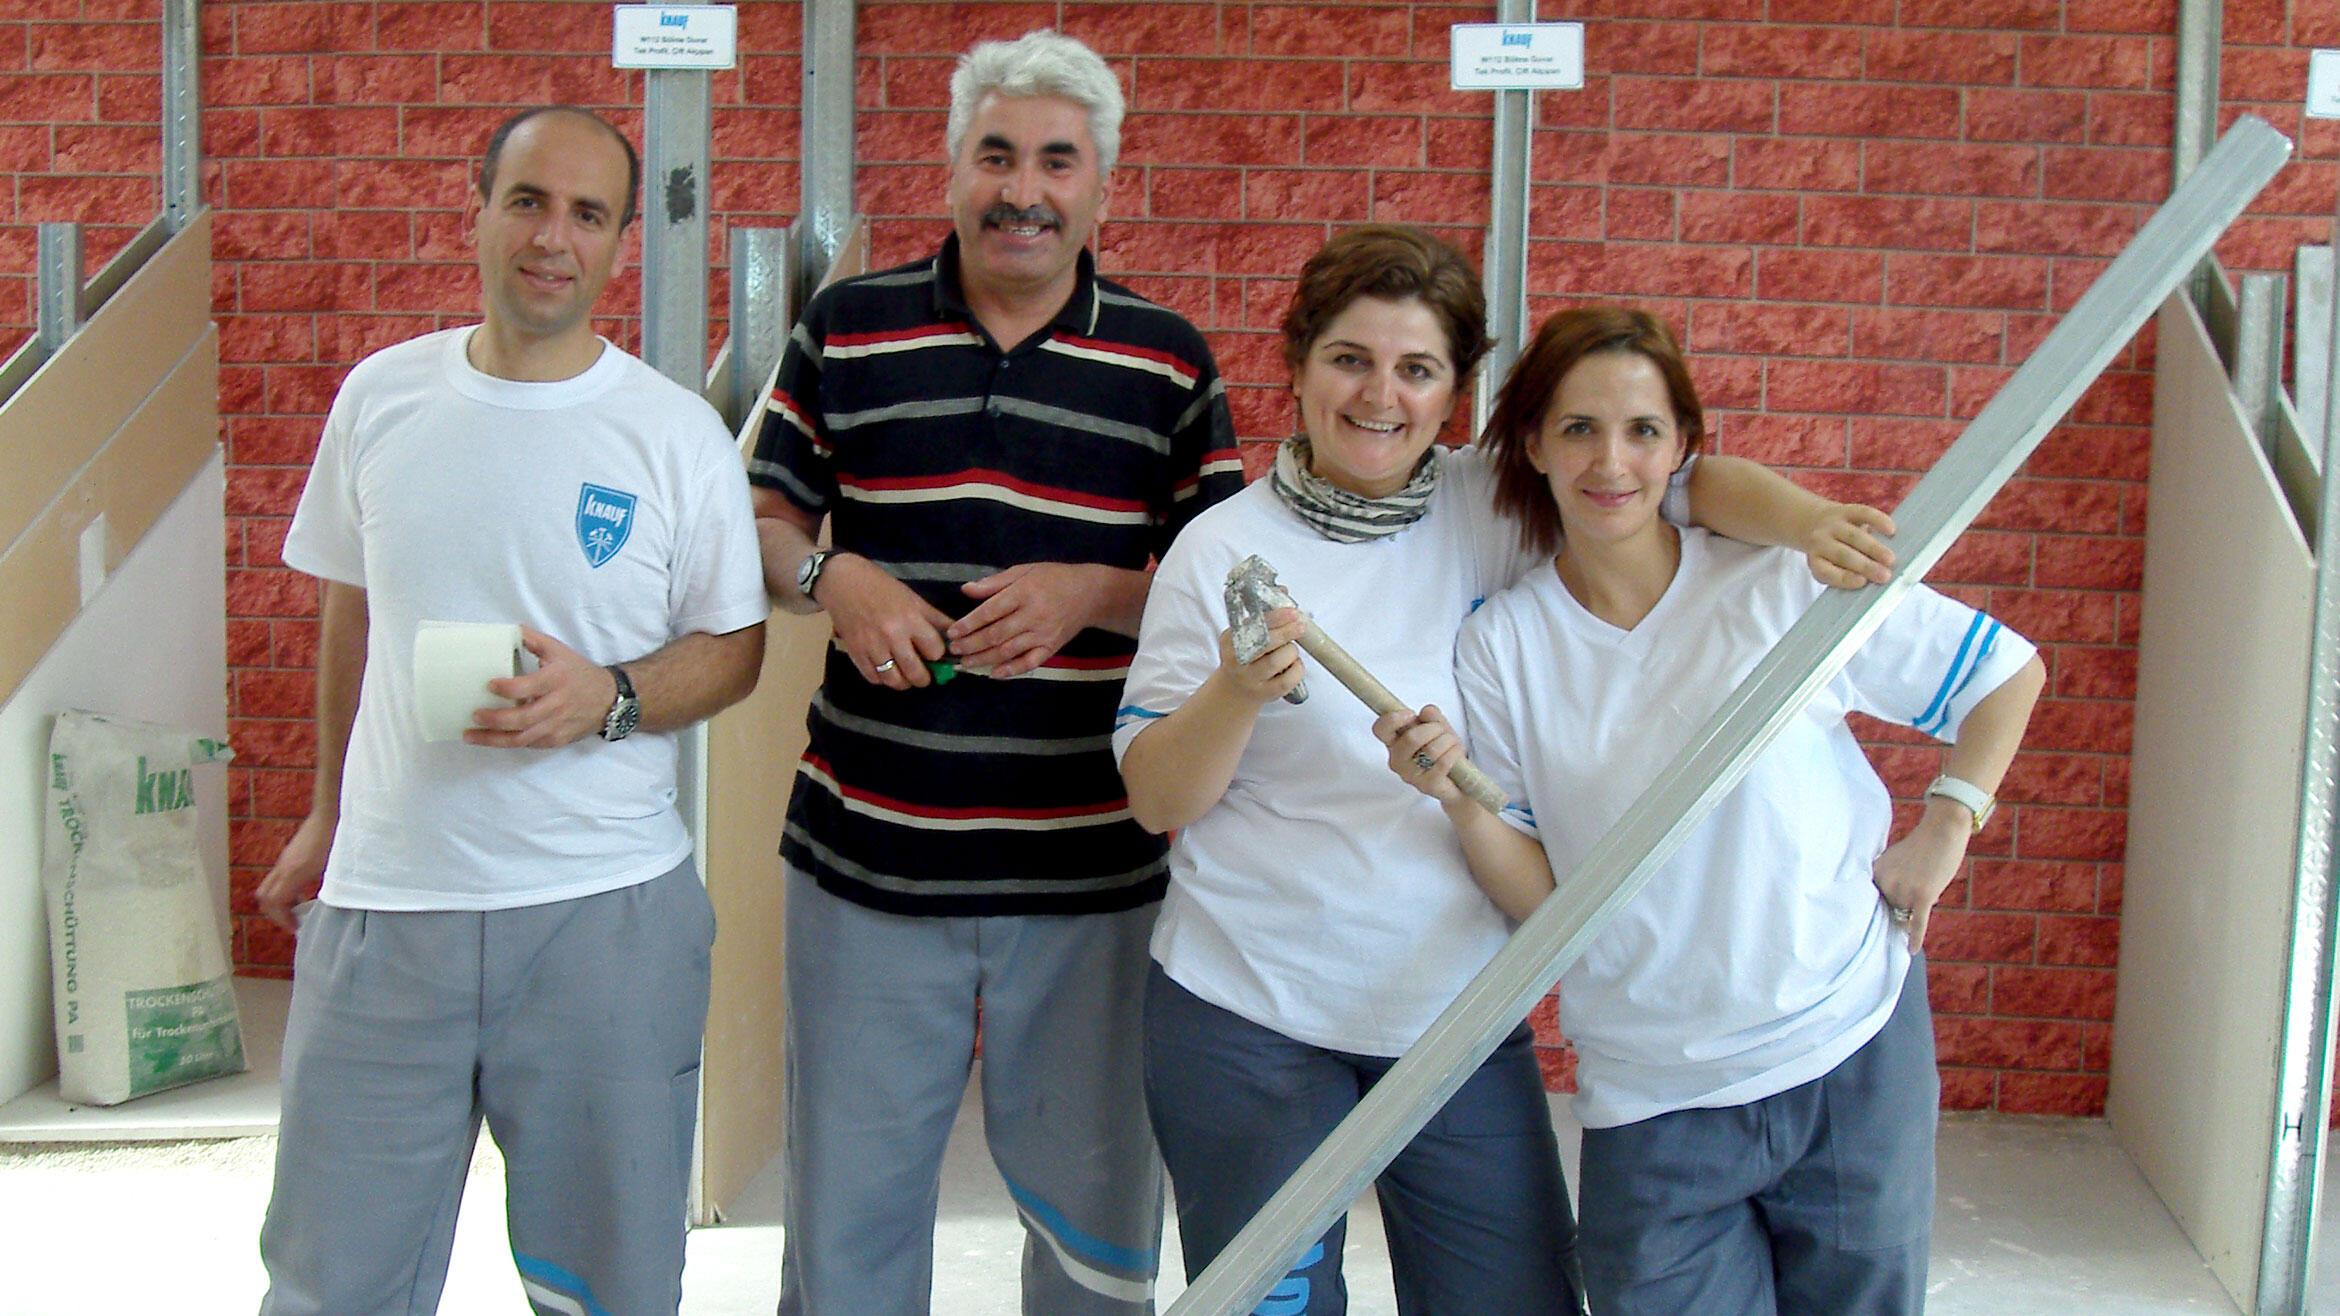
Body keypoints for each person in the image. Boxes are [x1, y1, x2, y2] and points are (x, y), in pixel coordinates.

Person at [1112, 226, 1898, 1316]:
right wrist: (1238, 690)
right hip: (1250, 1015)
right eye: (1349, 357)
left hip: (1454, 1020)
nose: (1380, 392)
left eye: (1417, 368)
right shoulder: (1218, 549)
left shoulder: (1504, 501)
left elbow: (1690, 481)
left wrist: (1814, 525)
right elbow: (1158, 798)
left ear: (1457, 396)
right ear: (1294, 368)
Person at [1379, 305, 2046, 1316]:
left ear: (1684, 446)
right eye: (1579, 429)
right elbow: (1544, 900)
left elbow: (2005, 672)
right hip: (1657, 1097)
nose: (1612, 460)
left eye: (1644, 430)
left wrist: (1946, 823)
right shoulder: (1503, 645)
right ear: (1532, 445)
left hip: (1849, 1049)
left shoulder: (1781, 578)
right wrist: (1459, 803)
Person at [745, 30, 1242, 1316]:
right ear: (954, 167)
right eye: (997, 154)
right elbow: (760, 526)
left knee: (1095, 1233)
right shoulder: (845, 331)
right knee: (847, 1221)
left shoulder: (1167, 361)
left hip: (1092, 875)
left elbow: (1230, 593)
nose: (1025, 187)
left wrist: (1094, 590)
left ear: (1101, 185)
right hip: (868, 862)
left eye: (1057, 161)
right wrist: (831, 577)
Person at [252, 106, 769, 1316]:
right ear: (476, 209)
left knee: (613, 1290)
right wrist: (328, 813)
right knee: (331, 1285)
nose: (553, 236)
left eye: (587, 214)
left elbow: (736, 649)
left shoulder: (673, 436)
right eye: (528, 200)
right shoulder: (382, 398)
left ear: (620, 241)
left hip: (604, 920)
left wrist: (613, 695)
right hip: (389, 914)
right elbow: (350, 616)